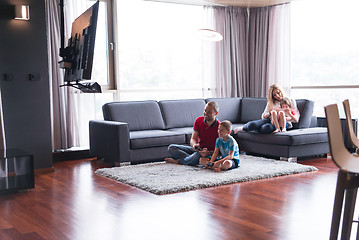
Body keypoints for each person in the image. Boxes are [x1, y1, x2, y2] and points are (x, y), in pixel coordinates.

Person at [164, 101, 220, 166]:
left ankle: (180, 161)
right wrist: (194, 145)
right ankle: (191, 160)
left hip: (209, 154)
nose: (205, 113)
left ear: (216, 113)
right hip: (198, 150)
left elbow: (221, 151)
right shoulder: (199, 120)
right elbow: (193, 139)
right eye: (205, 110)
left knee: (198, 155)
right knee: (171, 148)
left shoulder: (220, 127)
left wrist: (209, 153)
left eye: (209, 112)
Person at [233, 84, 300, 134]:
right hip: (270, 119)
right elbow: (263, 116)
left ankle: (255, 129)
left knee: (266, 128)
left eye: (278, 92)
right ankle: (243, 128)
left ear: (281, 90)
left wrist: (281, 117)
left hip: (283, 122)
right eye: (274, 95)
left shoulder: (290, 101)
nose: (277, 96)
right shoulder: (271, 103)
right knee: (252, 124)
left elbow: (296, 118)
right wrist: (271, 113)